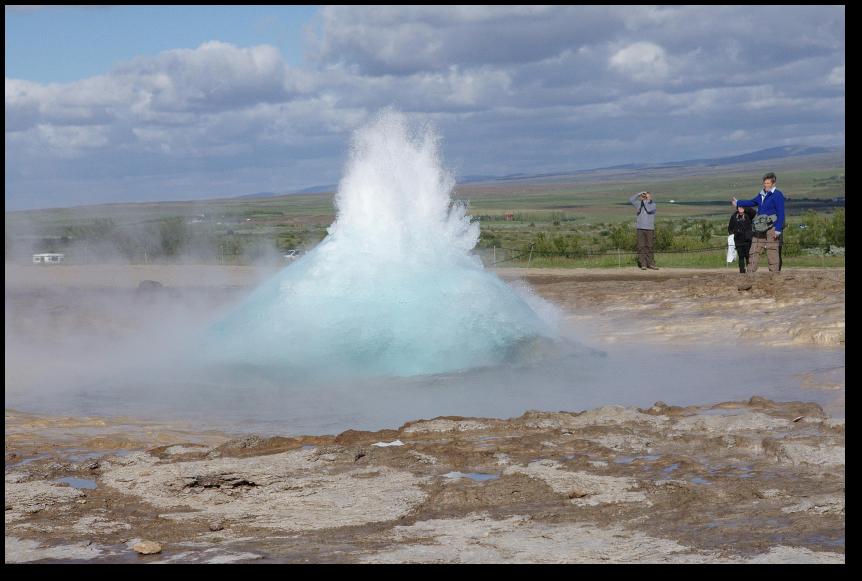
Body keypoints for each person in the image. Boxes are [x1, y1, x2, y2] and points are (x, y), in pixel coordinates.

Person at [732, 172, 785, 273]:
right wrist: (739, 202)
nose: (766, 185)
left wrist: (778, 229)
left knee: (772, 250)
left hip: (772, 227)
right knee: (754, 249)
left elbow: (781, 213)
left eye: (768, 183)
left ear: (773, 183)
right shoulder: (762, 194)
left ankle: (774, 275)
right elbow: (752, 202)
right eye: (764, 183)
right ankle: (750, 272)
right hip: (760, 227)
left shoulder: (777, 195)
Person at [629, 191, 658, 269]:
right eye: (644, 196)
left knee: (650, 246)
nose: (645, 197)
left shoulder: (653, 205)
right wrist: (638, 194)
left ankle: (651, 263)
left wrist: (645, 201)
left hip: (649, 229)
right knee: (641, 246)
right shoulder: (639, 204)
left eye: (647, 196)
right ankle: (643, 264)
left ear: (650, 197)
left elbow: (648, 209)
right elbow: (631, 200)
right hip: (640, 228)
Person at [728, 205, 755, 273]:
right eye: (739, 207)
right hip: (738, 239)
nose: (740, 209)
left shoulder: (748, 215)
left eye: (742, 207)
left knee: (748, 255)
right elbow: (730, 228)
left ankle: (750, 270)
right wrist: (731, 236)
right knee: (741, 256)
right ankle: (742, 271)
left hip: (747, 239)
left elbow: (754, 212)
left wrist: (745, 205)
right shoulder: (734, 216)